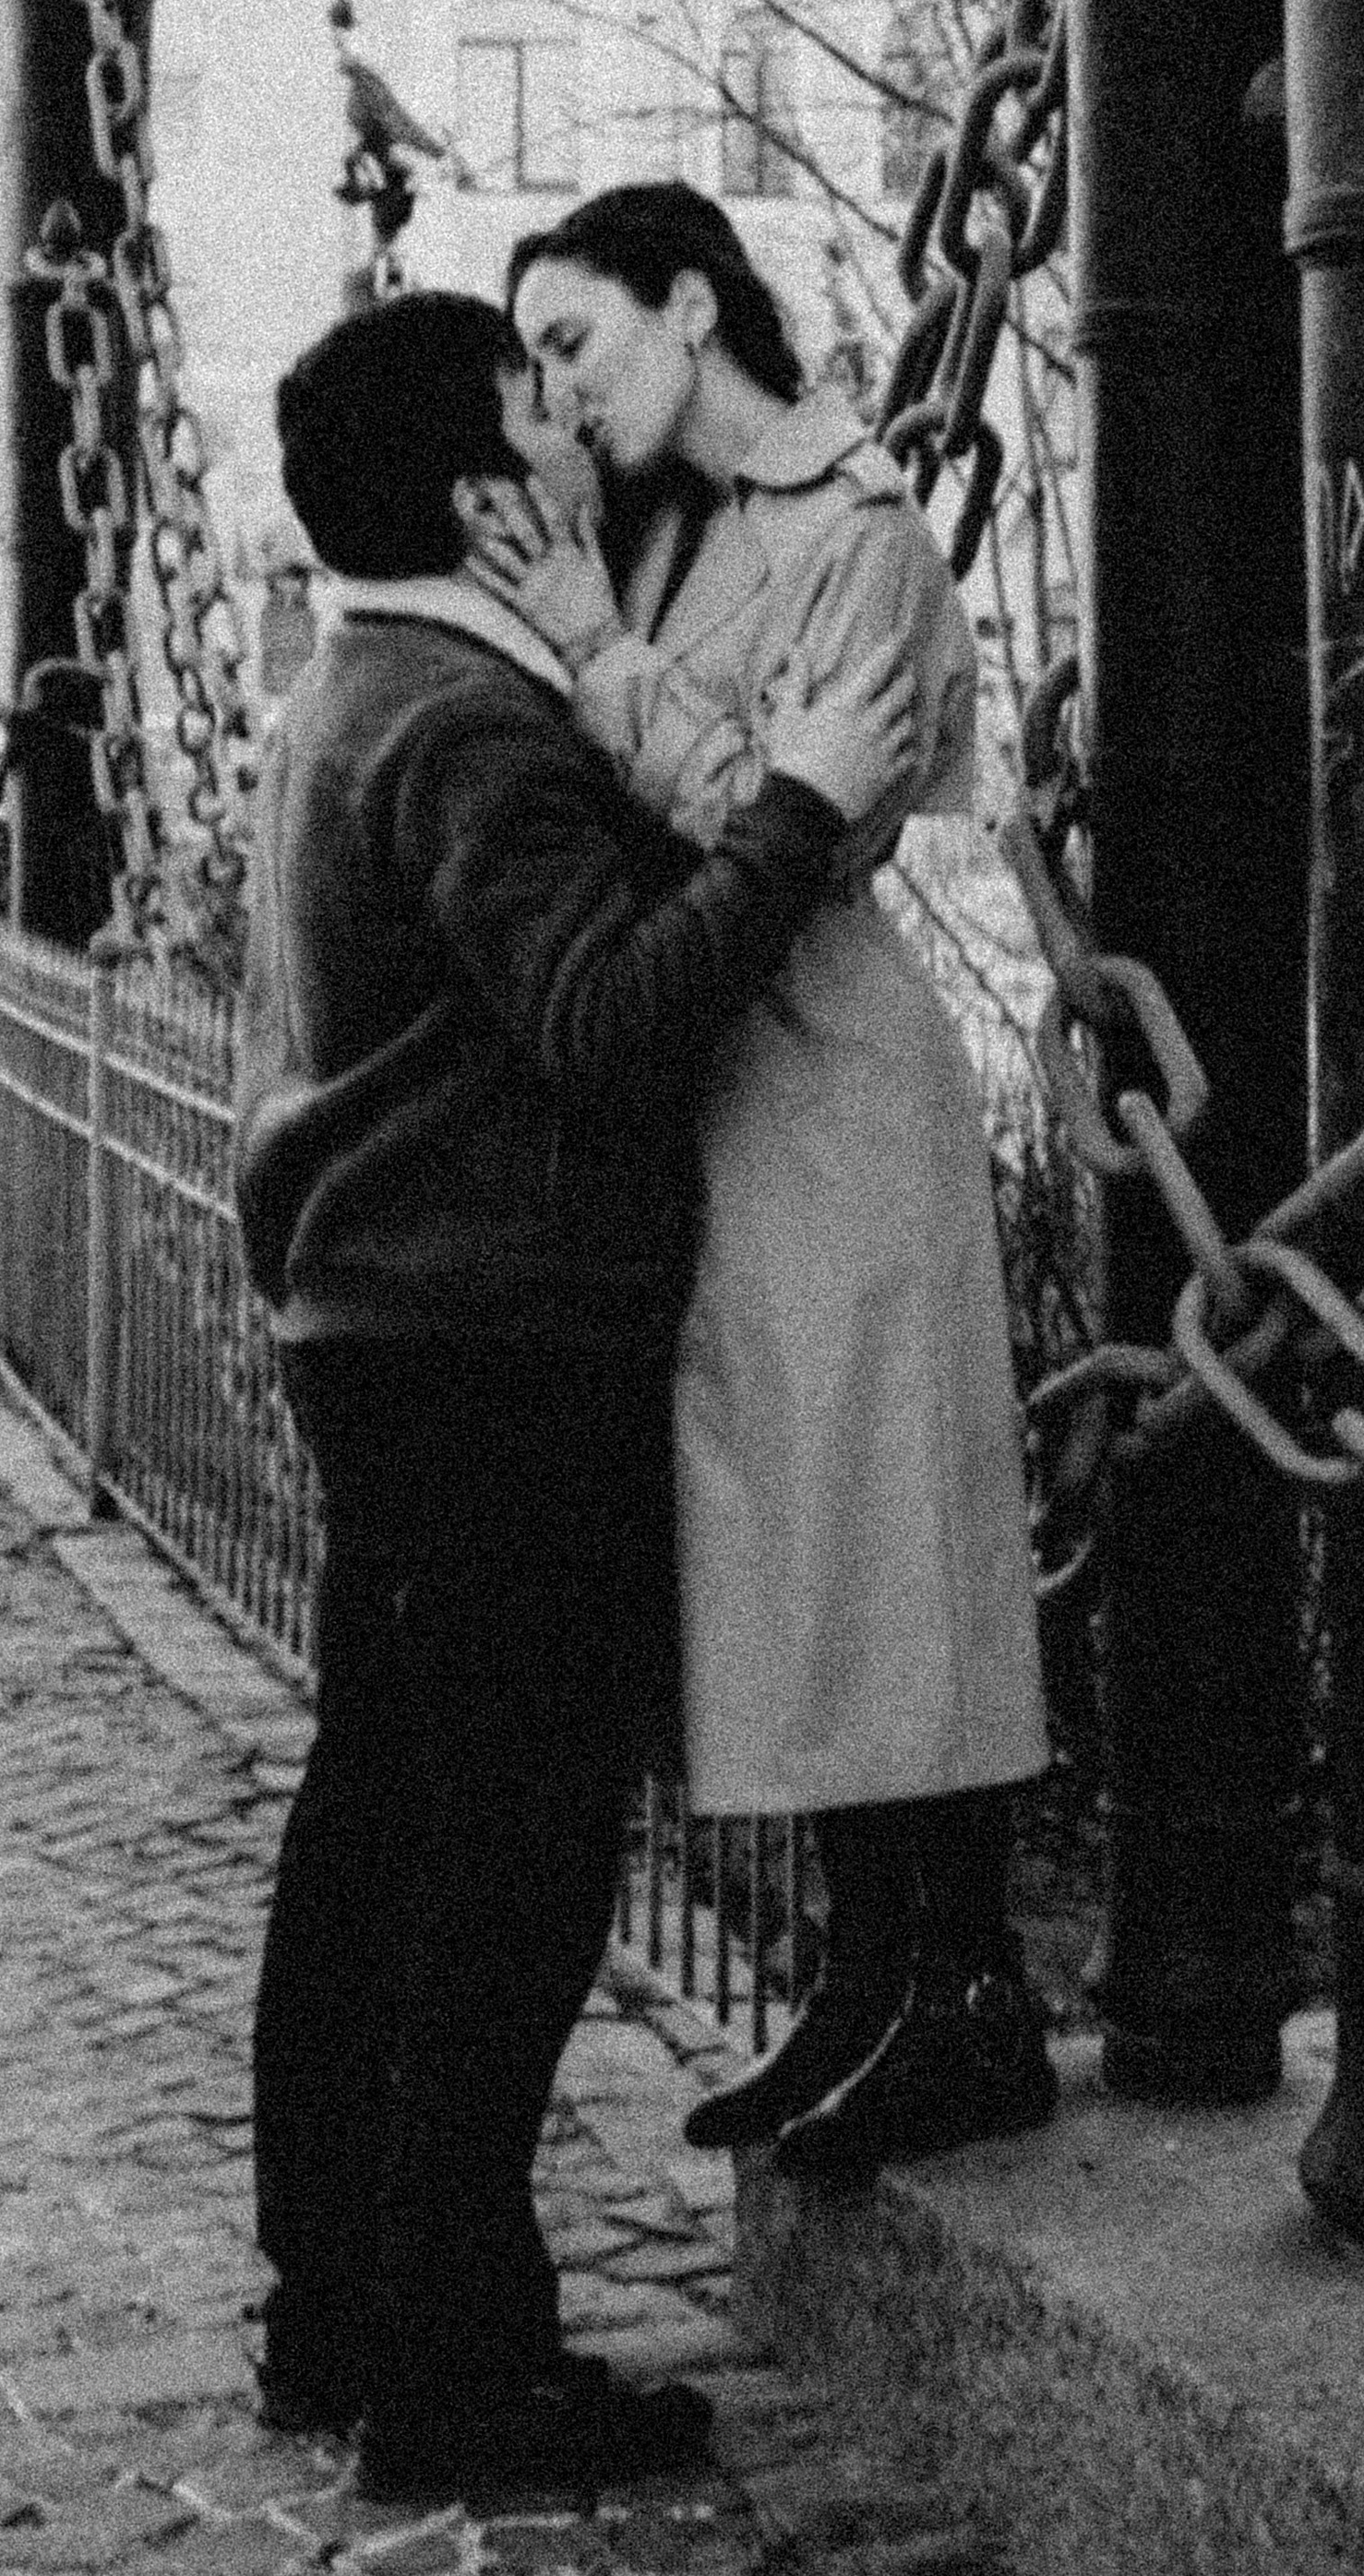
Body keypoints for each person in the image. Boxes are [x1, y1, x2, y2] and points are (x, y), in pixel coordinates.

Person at [233, 289, 917, 2501]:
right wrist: (794, 817)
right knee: (505, 1872)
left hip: (386, 1334)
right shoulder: (475, 731)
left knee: (374, 1838)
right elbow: (614, 1018)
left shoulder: (356, 688)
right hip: (495, 1351)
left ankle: (337, 2305)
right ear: (479, 483)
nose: (565, 419)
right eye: (533, 394)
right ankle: (456, 2370)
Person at [479, 181, 1052, 2173]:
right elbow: (715, 794)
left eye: (577, 340)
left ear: (691, 303)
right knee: (794, 1554)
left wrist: (595, 660)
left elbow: (793, 822)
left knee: (886, 1532)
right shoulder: (659, 546)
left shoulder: (853, 536)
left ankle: (963, 1989)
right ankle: (865, 1980)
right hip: (726, 1093)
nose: (556, 391)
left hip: (831, 1084)